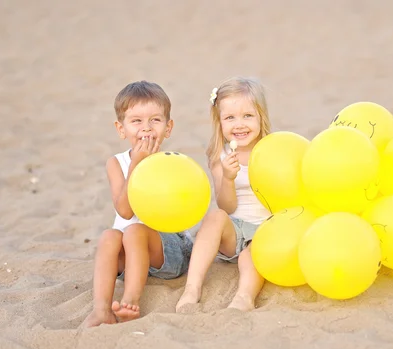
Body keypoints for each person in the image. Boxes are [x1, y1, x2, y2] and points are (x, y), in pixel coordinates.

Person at [82, 81, 193, 328]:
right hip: (128, 258)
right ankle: (101, 309)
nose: (146, 129)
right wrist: (135, 165)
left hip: (166, 252)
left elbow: (177, 212)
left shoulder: (172, 163)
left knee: (135, 231)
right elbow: (124, 210)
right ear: (121, 129)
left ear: (168, 127)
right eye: (136, 121)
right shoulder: (116, 163)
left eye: (155, 120)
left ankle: (131, 299)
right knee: (110, 236)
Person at [176, 77, 272, 313]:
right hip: (235, 232)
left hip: (267, 231)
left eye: (247, 116)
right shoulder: (221, 155)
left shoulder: (273, 149)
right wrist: (228, 178)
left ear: (261, 117)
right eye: (230, 118)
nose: (239, 124)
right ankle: (192, 288)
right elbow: (227, 206)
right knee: (216, 215)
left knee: (252, 253)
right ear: (219, 122)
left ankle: (244, 297)